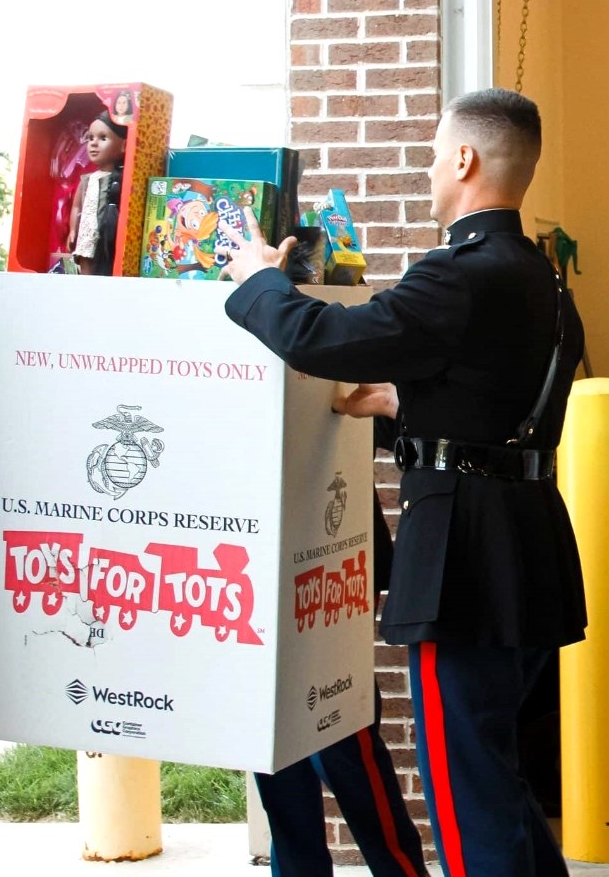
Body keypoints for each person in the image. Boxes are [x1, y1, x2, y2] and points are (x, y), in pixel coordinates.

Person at [221, 88, 585, 877]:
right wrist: (402, 401)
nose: (427, 170)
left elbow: (327, 337)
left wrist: (257, 280)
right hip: (529, 542)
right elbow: (502, 398)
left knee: (468, 797)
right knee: (494, 772)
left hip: (464, 552)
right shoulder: (545, 281)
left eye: (430, 154)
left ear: (464, 159)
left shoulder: (459, 273)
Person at [252, 413, 428, 877]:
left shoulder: (329, 340)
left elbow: (385, 420)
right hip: (247, 552)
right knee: (267, 733)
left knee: (343, 735)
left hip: (330, 548)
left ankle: (401, 873)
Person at [67, 111, 127, 275]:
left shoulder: (120, 180)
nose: (93, 143)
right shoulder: (86, 179)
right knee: (85, 260)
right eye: (90, 138)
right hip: (87, 231)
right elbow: (76, 207)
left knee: (105, 262)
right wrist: (73, 230)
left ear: (123, 146)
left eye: (102, 138)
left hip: (106, 233)